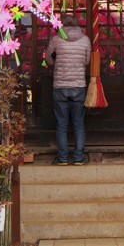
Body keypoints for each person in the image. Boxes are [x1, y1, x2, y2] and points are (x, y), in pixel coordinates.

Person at [45, 13, 92, 166]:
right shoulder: (85, 40)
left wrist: (55, 61)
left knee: (62, 124)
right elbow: (87, 60)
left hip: (60, 85)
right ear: (77, 24)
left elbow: (48, 59)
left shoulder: (56, 39)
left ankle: (63, 158)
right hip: (79, 85)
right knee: (79, 123)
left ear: (63, 24)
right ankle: (79, 158)